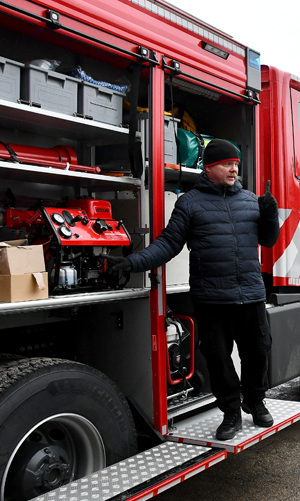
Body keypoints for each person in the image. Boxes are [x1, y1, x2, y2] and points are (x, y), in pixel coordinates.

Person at [105, 139, 280, 440]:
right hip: (212, 298)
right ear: (209, 168)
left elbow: (268, 240)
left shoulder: (250, 200)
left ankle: (255, 401)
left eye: (236, 164)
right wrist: (133, 262)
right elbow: (168, 244)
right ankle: (231, 413)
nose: (234, 169)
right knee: (219, 359)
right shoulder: (189, 202)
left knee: (259, 352)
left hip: (250, 294)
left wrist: (270, 215)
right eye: (227, 164)